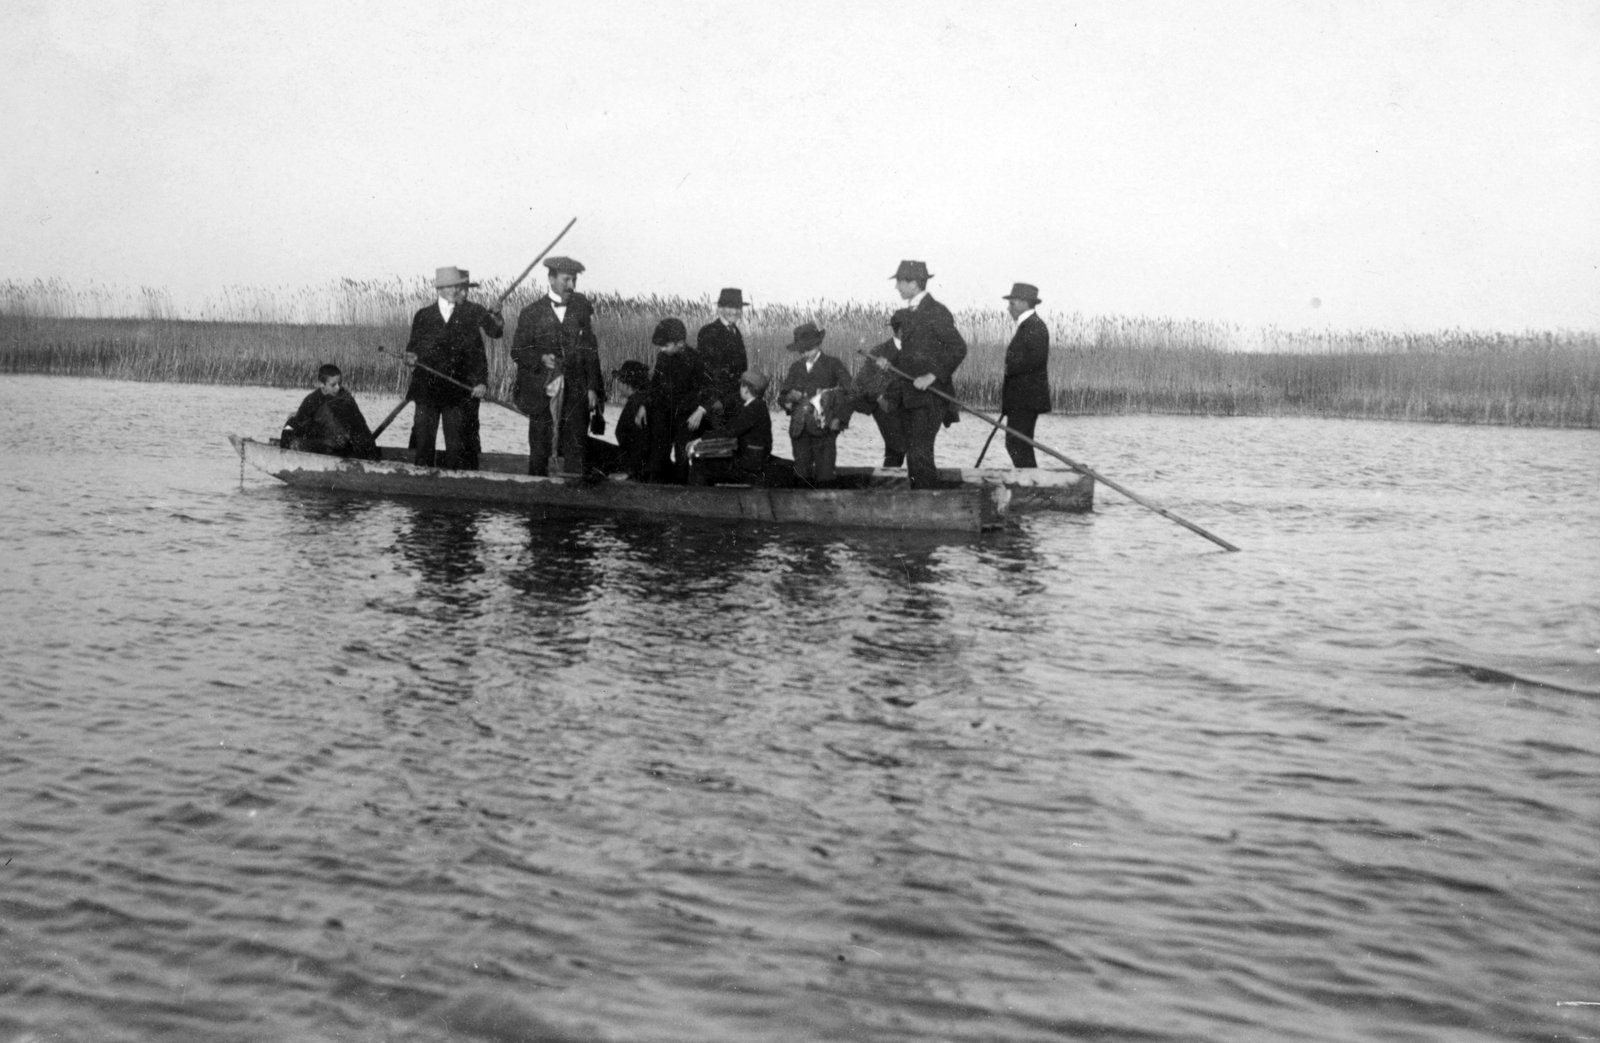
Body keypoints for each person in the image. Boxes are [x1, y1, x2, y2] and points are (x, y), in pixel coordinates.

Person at [874, 260, 967, 489]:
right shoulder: (906, 314)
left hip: (931, 397)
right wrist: (890, 362)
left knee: (919, 454)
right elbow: (914, 356)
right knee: (916, 456)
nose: (897, 287)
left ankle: (928, 505)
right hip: (910, 397)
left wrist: (932, 376)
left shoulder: (936, 311)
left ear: (914, 283)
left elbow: (958, 348)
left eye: (899, 282)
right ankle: (925, 501)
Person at [510, 256, 605, 477]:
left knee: (576, 446)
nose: (571, 286)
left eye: (574, 281)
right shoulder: (531, 312)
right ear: (551, 278)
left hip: (577, 392)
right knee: (540, 446)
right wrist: (541, 358)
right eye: (566, 280)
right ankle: (537, 492)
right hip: (542, 392)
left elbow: (591, 352)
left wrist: (592, 387)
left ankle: (571, 494)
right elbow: (518, 351)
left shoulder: (581, 310)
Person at [405, 266, 504, 469]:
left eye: (458, 287)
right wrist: (410, 358)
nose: (456, 291)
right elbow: (411, 349)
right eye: (450, 286)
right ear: (439, 288)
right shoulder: (422, 315)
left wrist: (496, 314)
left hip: (457, 392)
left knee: (456, 448)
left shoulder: (474, 311)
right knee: (423, 444)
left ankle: (455, 488)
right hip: (426, 390)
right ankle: (420, 486)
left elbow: (494, 333)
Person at [778, 322, 852, 487]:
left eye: (808, 349)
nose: (804, 353)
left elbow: (852, 393)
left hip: (825, 430)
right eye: (801, 350)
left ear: (818, 344)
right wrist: (788, 401)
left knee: (825, 478)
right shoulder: (795, 367)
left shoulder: (833, 364)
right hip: (799, 430)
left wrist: (840, 420)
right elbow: (781, 397)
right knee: (801, 479)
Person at [645, 318, 709, 483]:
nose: (662, 349)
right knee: (657, 456)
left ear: (680, 343)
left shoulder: (697, 359)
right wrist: (644, 405)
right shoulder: (662, 357)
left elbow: (708, 388)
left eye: (666, 345)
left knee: (682, 457)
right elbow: (655, 386)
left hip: (687, 417)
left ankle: (681, 492)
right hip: (664, 414)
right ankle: (655, 489)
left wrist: (701, 410)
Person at [688, 370, 774, 486]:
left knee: (700, 465)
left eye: (741, 385)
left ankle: (698, 500)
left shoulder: (753, 409)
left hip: (749, 465)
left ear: (747, 389)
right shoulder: (757, 407)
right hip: (751, 460)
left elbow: (729, 431)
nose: (740, 388)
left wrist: (702, 439)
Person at [1000, 282, 1051, 468]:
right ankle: (1030, 482)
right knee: (1018, 443)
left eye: (1012, 304)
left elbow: (1036, 360)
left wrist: (1010, 367)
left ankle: (1030, 483)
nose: (1008, 308)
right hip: (1021, 400)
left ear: (1023, 303)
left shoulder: (1034, 327)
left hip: (1025, 400)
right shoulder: (1029, 326)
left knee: (1016, 443)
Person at [281, 363, 379, 459]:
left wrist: (348, 437)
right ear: (321, 384)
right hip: (324, 445)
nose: (338, 388)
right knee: (296, 440)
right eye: (333, 385)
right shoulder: (311, 400)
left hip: (347, 449)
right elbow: (298, 423)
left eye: (339, 383)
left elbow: (360, 428)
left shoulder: (345, 398)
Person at [853, 309, 911, 468]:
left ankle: (888, 482)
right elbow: (862, 382)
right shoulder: (879, 351)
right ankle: (887, 484)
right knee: (898, 447)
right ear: (900, 330)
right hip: (883, 405)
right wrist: (880, 395)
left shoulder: (915, 352)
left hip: (906, 405)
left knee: (897, 450)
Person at [695, 288, 749, 427]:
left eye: (738, 307)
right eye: (730, 307)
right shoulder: (709, 332)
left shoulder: (736, 332)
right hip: (716, 404)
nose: (735, 311)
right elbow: (704, 370)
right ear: (720, 308)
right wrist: (712, 400)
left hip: (735, 401)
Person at [595, 359, 653, 479]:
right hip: (629, 459)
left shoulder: (636, 404)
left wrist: (629, 472)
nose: (619, 385)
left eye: (620, 381)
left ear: (627, 384)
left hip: (633, 464)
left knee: (592, 445)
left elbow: (641, 443)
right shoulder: (637, 400)